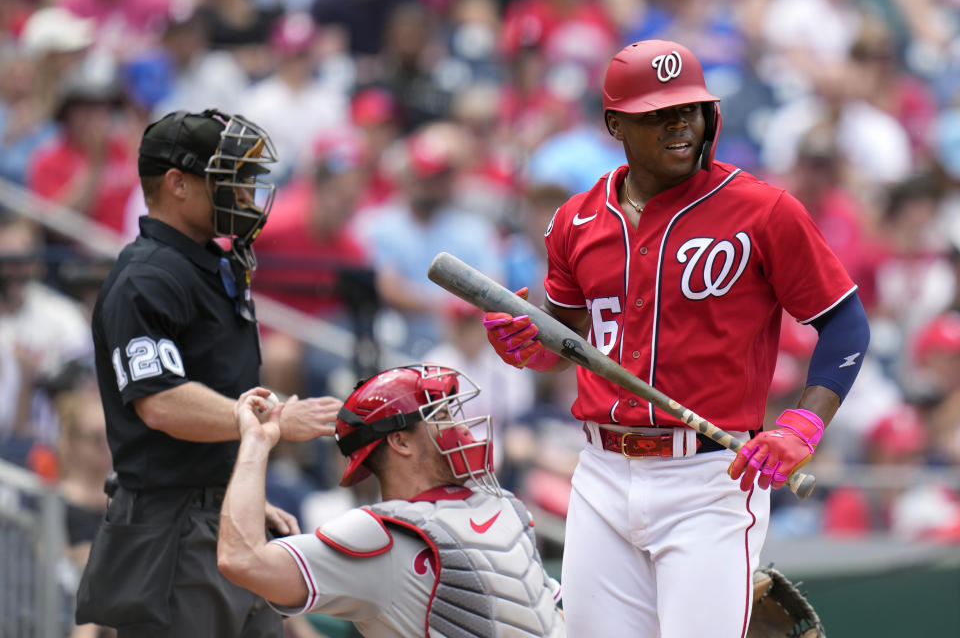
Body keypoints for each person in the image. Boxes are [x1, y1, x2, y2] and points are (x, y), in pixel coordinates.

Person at [480, 40, 871, 637]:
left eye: (688, 109)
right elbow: (569, 342)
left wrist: (804, 424)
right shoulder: (576, 219)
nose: (678, 125)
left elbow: (845, 322)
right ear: (615, 123)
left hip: (711, 479)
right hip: (601, 472)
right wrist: (528, 345)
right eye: (656, 114)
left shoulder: (763, 212)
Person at [75, 108, 342, 637]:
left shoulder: (209, 264)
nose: (245, 191)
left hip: (226, 517)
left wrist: (240, 493)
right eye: (228, 178)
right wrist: (272, 421)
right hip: (175, 534)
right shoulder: (146, 276)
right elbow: (162, 403)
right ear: (177, 183)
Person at [217, 364, 565, 637]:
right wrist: (256, 442)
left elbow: (549, 615)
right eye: (441, 416)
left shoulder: (498, 504)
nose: (460, 428)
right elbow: (242, 561)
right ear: (400, 442)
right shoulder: (380, 536)